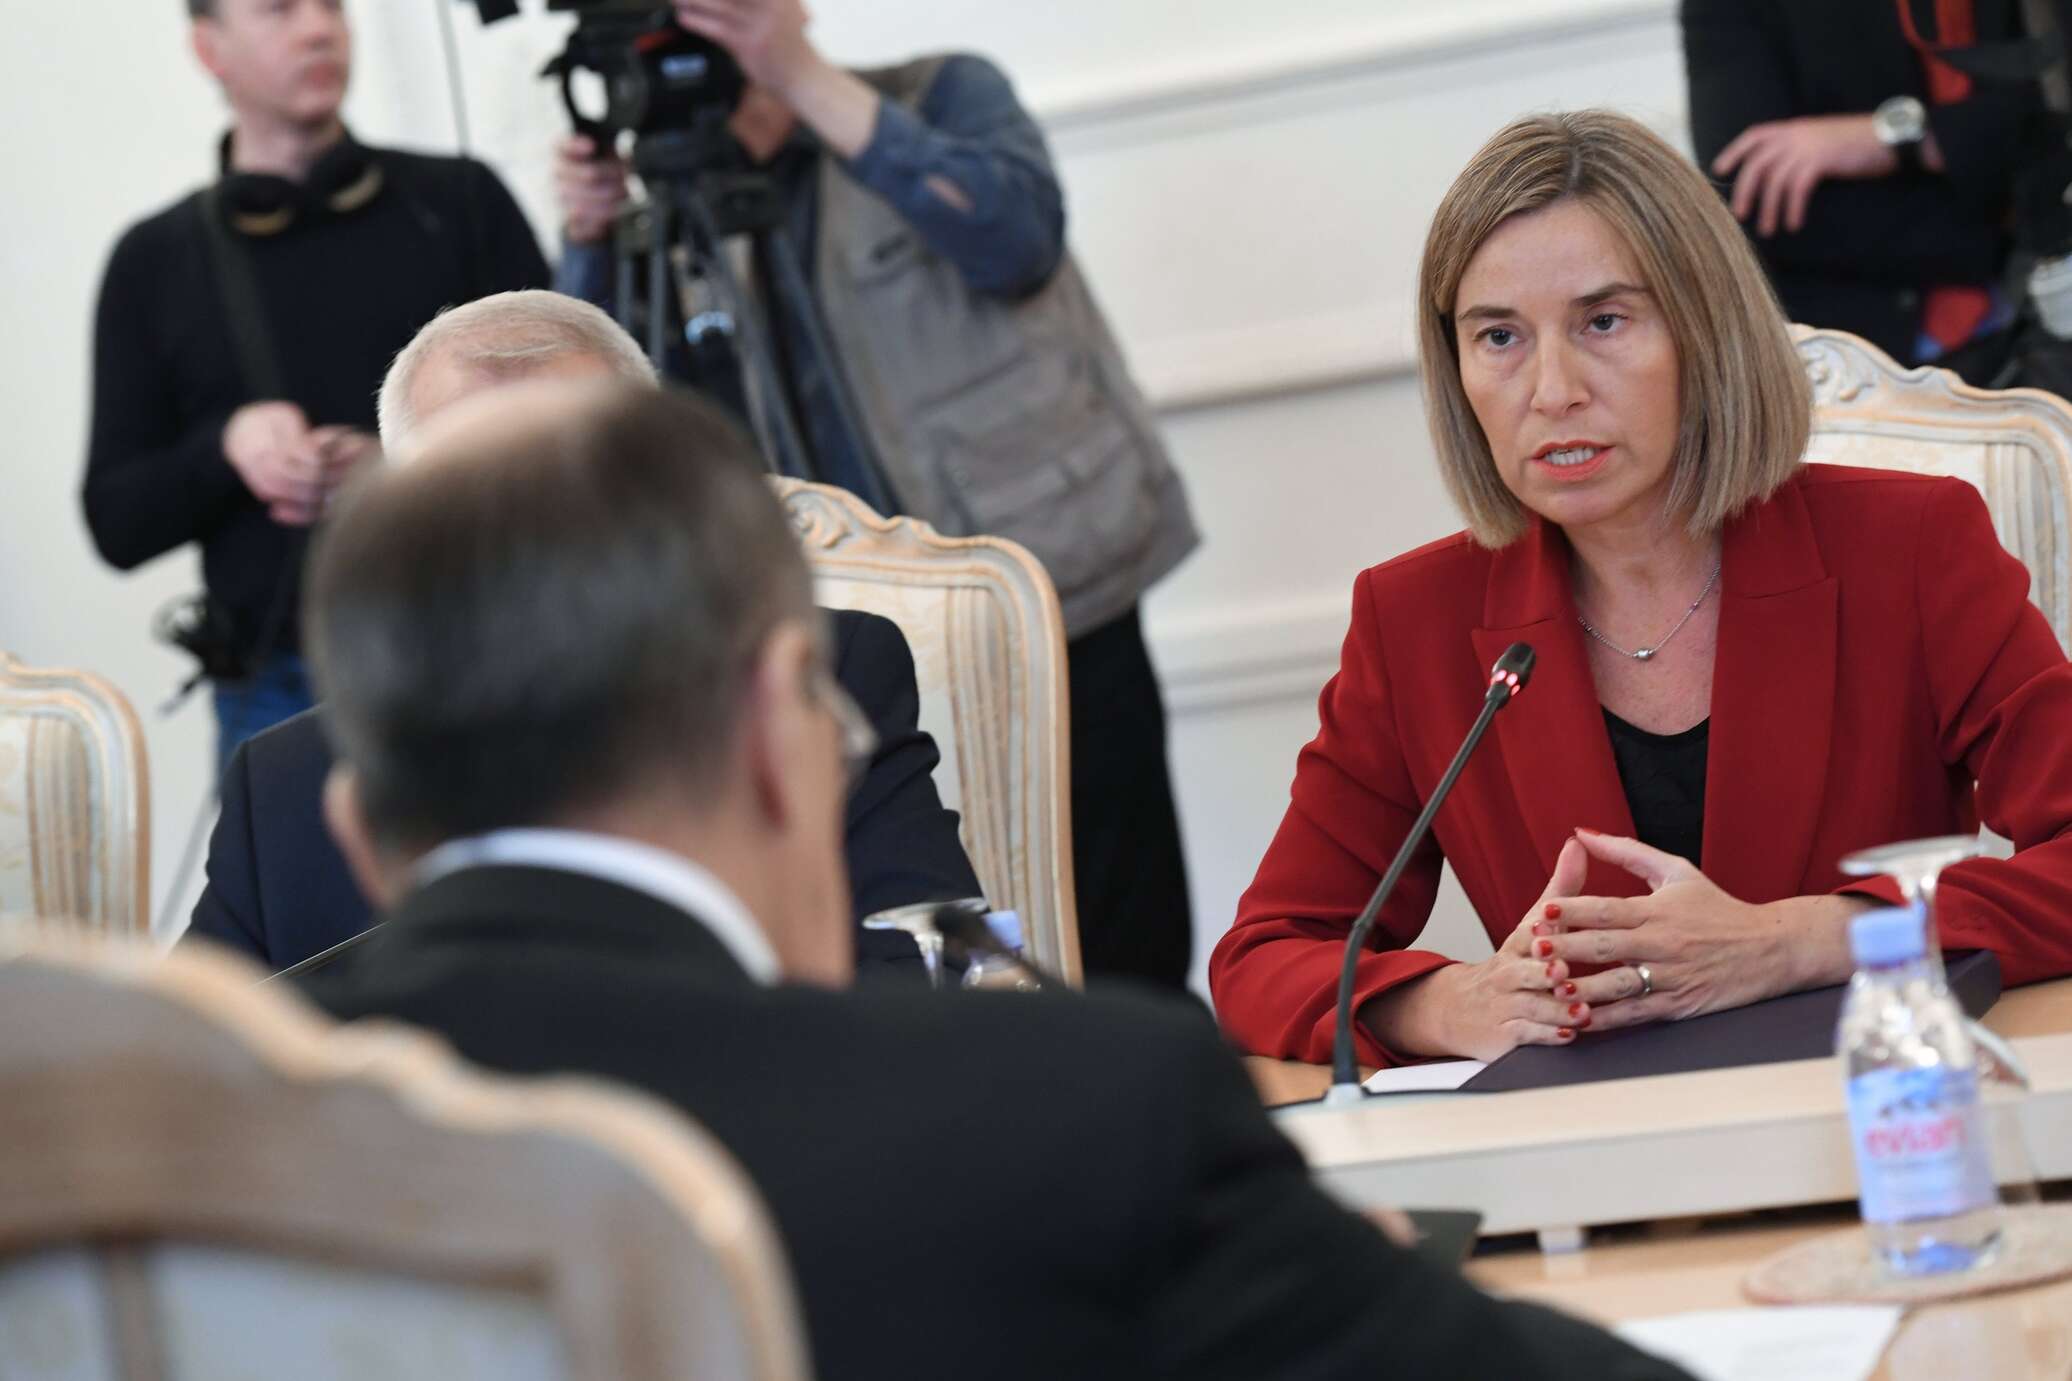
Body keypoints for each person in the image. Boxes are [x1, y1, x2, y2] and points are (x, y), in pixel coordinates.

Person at [291, 377, 1689, 1381]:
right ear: (781, 731)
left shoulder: (179, 1133)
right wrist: (1318, 1279)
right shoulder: (1083, 1117)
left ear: (358, 832)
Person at [1210, 110, 2072, 1068]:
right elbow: (1264, 955)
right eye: (1499, 336)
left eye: (1604, 322)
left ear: (1706, 330)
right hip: (1596, 1141)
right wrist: (1451, 1004)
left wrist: (1798, 940)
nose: (1552, 389)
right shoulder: (1414, 619)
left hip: (1873, 1109)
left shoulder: (1910, 546)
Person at [555, 0, 1199, 989]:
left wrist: (799, 76)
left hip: (1055, 586)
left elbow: (1017, 239)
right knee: (921, 945)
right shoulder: (670, 202)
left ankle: (1144, 1072)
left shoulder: (940, 94)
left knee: (1122, 939)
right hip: (832, 645)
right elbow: (617, 415)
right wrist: (591, 240)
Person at [182, 290, 978, 977]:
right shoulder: (286, 784)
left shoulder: (818, 677)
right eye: (476, 504)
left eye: (583, 493)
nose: (537, 543)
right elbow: (184, 1076)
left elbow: (945, 970)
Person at [82, 0, 549, 772]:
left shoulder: (460, 199)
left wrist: (406, 463)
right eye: (278, 10)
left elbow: (571, 424)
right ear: (209, 48)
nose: (318, 28)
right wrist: (226, 450)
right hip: (276, 691)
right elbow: (115, 520)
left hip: (485, 653)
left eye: (331, 4)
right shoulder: (153, 261)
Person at [1681, 0, 2036, 383]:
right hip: (1852, 357)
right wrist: (1997, 219)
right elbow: (1750, 197)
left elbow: (2044, 116)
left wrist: (1887, 137)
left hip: (2035, 311)